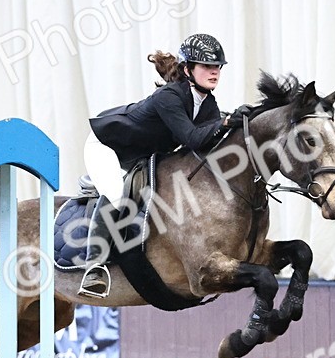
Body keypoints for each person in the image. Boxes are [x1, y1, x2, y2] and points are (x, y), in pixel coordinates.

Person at [77, 33, 250, 297]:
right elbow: (192, 138)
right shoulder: (169, 96)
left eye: (217, 67)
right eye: (206, 66)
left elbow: (208, 144)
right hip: (107, 145)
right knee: (115, 192)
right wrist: (225, 123)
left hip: (140, 154)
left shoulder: (208, 104)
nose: (214, 72)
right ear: (187, 69)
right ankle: (94, 267)